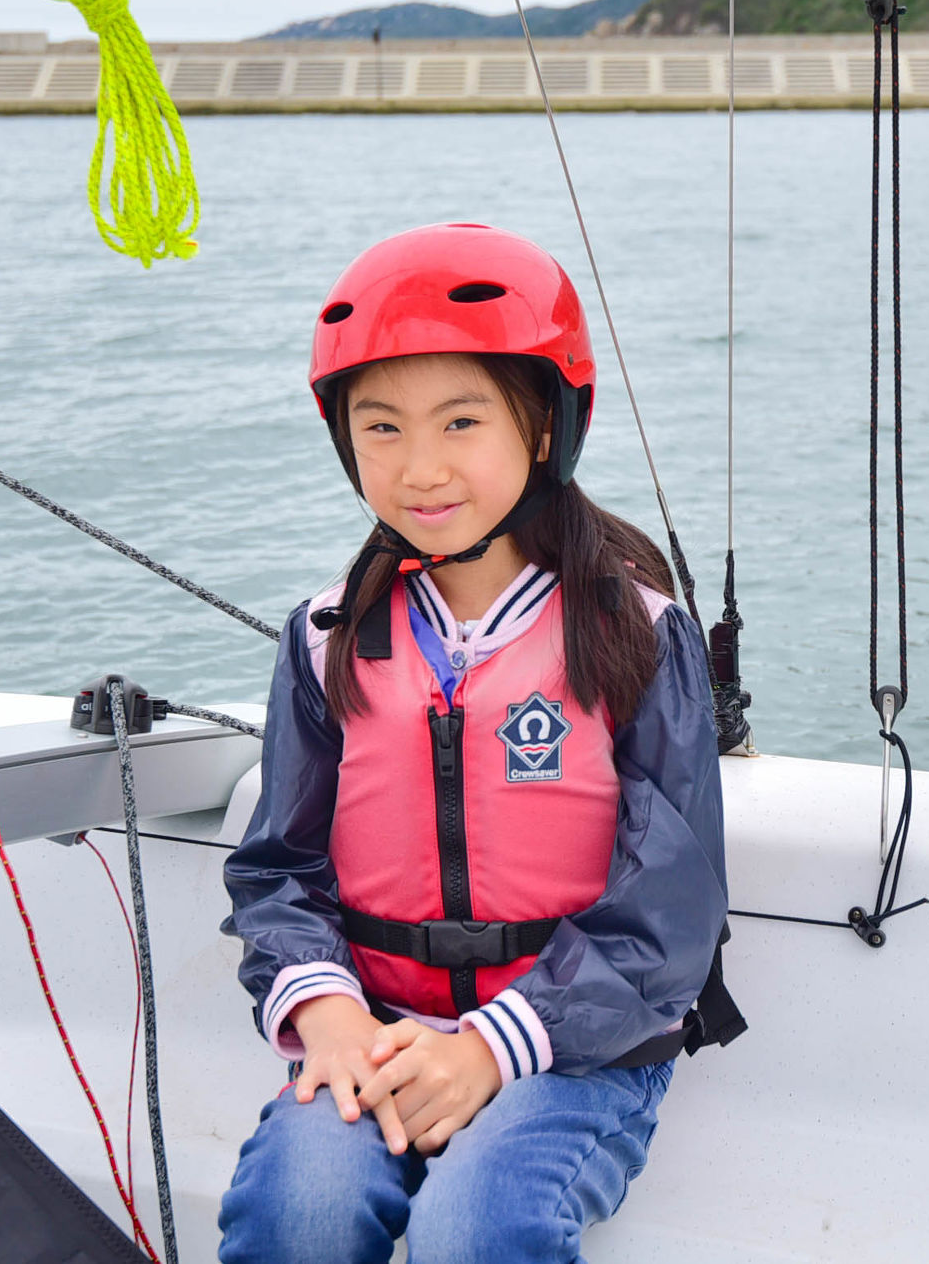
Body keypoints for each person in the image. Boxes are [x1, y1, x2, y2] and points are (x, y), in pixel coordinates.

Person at [217, 222, 733, 1264]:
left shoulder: (634, 630)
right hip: (376, 1027)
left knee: (477, 1226)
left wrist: (491, 1049)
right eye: (380, 428)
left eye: (461, 421)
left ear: (544, 426)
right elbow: (277, 866)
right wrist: (323, 1012)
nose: (420, 468)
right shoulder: (324, 637)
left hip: (576, 1048)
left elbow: (667, 909)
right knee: (294, 1213)